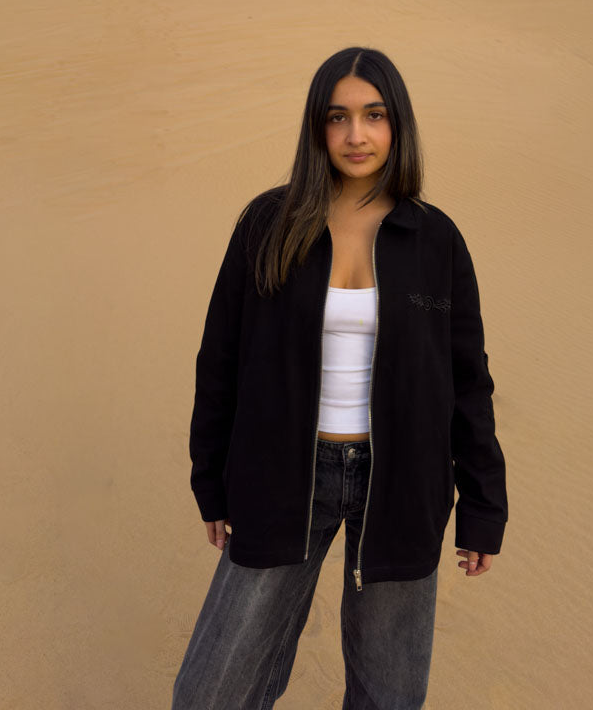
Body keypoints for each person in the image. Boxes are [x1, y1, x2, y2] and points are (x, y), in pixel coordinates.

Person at [171, 46, 508, 710]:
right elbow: (221, 360)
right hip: (283, 476)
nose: (357, 135)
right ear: (317, 128)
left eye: (375, 115)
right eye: (339, 117)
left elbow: (467, 381)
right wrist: (210, 481)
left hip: (404, 481)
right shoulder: (269, 225)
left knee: (389, 693)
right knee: (212, 691)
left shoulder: (435, 240)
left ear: (397, 125)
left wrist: (483, 507)